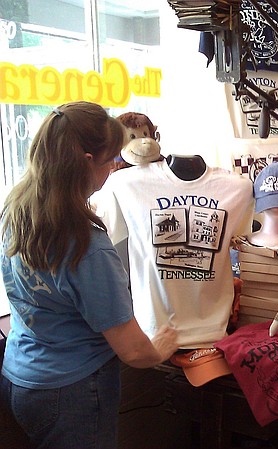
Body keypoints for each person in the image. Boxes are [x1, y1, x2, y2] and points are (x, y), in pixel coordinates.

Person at [0, 101, 179, 449]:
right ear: (85, 163)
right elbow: (133, 351)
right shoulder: (87, 245)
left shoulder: (16, 210)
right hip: (72, 393)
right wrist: (159, 347)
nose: (114, 167)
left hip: (20, 377)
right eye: (110, 159)